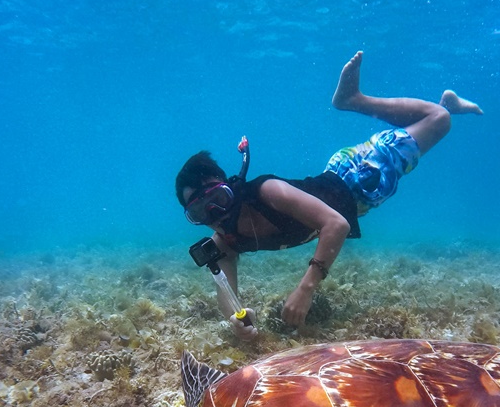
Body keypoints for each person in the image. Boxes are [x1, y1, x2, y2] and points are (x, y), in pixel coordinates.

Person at [176, 51, 482, 340]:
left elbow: (336, 225)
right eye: (201, 213)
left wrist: (306, 288)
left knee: (439, 121)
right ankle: (447, 103)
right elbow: (226, 294)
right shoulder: (225, 242)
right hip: (351, 187)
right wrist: (237, 321)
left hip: (359, 176)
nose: (216, 215)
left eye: (218, 199)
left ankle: (353, 100)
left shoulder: (266, 191)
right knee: (429, 125)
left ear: (230, 187)